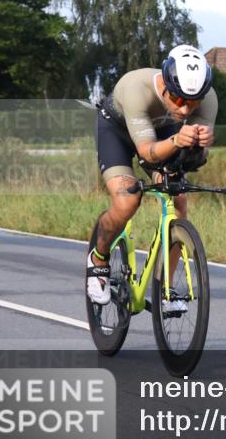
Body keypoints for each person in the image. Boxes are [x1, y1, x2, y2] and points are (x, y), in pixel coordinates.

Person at [87, 44, 218, 305]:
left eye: (193, 102)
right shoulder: (137, 88)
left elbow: (193, 160)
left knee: (178, 201)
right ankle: (98, 260)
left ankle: (165, 289)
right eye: (179, 99)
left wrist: (200, 146)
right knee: (127, 202)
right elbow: (147, 153)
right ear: (166, 86)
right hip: (117, 132)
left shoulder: (209, 98)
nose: (184, 110)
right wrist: (179, 140)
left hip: (163, 134)